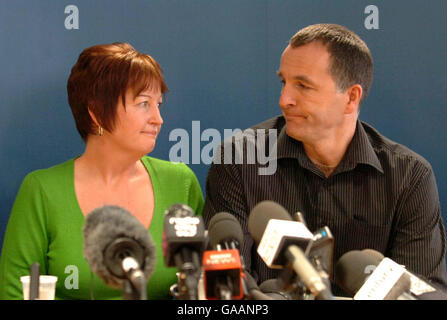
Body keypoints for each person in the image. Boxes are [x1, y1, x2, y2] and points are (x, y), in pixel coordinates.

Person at [203, 23, 447, 296]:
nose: (284, 99)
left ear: (351, 98)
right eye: (284, 82)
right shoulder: (239, 160)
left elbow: (422, 290)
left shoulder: (410, 177)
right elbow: (225, 283)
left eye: (303, 86)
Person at [0, 43, 204, 300]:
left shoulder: (181, 182)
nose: (158, 118)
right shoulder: (42, 190)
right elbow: (14, 292)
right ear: (96, 112)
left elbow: (206, 288)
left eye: (158, 104)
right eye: (143, 104)